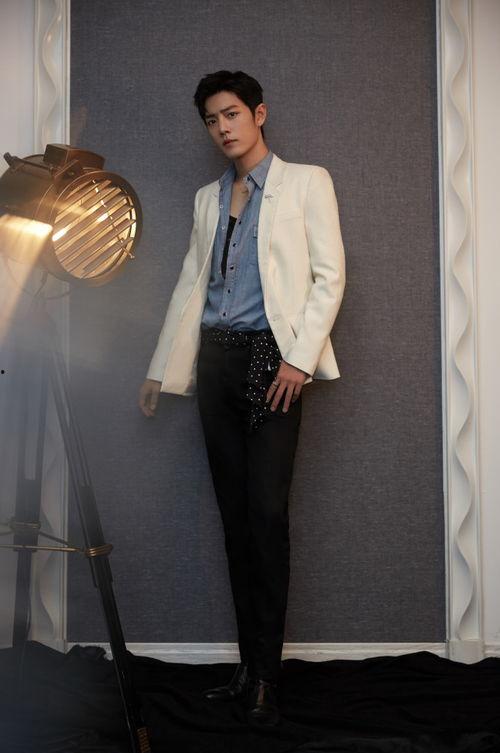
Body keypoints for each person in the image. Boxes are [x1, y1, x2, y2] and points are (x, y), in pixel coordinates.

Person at [139, 70, 345, 727]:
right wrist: (160, 369)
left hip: (272, 361)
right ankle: (246, 668)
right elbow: (190, 283)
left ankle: (268, 677)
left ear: (259, 113)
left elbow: (329, 276)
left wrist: (298, 360)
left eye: (231, 113)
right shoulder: (208, 197)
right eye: (211, 119)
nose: (222, 128)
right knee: (234, 520)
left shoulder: (306, 182)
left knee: (266, 516)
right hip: (217, 363)